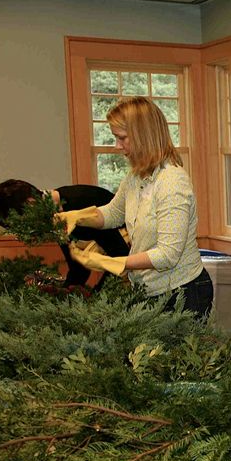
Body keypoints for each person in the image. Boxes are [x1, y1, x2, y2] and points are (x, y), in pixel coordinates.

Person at [56, 97, 211, 317]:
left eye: (122, 138)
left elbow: (167, 255)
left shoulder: (172, 182)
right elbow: (112, 213)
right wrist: (75, 217)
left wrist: (112, 263)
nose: (117, 146)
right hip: (150, 290)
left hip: (183, 294)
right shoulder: (135, 177)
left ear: (143, 136)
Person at [0, 179, 129, 287]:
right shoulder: (55, 216)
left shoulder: (79, 205)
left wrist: (97, 296)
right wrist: (65, 294)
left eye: (24, 225)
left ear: (31, 204)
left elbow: (120, 256)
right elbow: (78, 268)